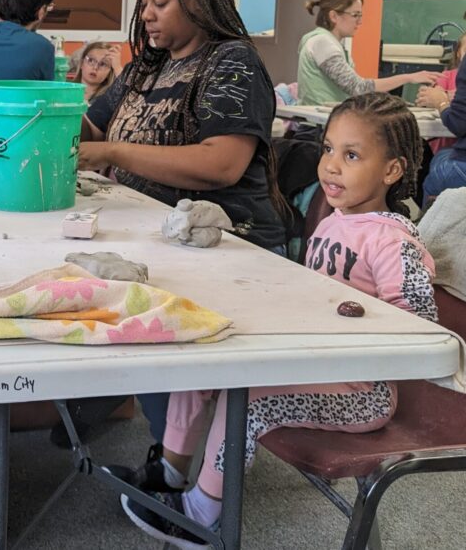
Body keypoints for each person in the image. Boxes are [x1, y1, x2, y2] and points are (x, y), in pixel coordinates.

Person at [119, 92, 437, 548]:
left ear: (391, 171)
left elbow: (422, 330)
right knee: (203, 362)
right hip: (313, 364)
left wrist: (357, 324)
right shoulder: (334, 220)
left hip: (361, 390)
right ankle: (170, 470)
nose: (330, 165)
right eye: (328, 149)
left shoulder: (392, 242)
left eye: (351, 155)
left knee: (244, 399)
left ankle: (202, 518)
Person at [78, 0, 290, 467]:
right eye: (143, 3)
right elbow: (92, 127)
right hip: (149, 231)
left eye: (160, 2)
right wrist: (51, 107)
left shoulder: (231, 62)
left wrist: (110, 150)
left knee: (142, 317)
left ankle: (180, 466)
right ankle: (92, 404)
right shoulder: (145, 68)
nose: (147, 14)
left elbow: (223, 163)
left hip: (225, 243)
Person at [297, 0, 439, 106]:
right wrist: (408, 78)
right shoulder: (323, 43)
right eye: (355, 15)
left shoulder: (327, 42)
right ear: (333, 16)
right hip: (316, 128)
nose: (360, 21)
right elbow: (358, 87)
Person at [416, 33, 466, 202]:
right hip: (448, 147)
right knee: (440, 157)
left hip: (461, 159)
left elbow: (458, 123)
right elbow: (427, 99)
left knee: (434, 175)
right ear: (458, 52)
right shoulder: (447, 76)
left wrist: (442, 101)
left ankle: (431, 224)